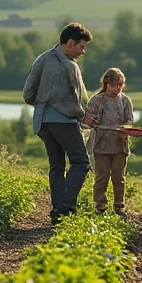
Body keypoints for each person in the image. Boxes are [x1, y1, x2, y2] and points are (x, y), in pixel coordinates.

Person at [23, 22, 92, 224]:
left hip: (42, 122)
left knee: (57, 166)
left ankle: (56, 209)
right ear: (70, 42)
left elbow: (28, 94)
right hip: (63, 122)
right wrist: (83, 116)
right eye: (81, 46)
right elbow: (74, 100)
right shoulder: (70, 66)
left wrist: (43, 104)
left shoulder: (42, 59)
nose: (82, 51)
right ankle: (65, 207)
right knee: (81, 162)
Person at [83, 68, 134, 217]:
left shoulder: (125, 100)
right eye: (115, 85)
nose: (118, 88)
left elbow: (129, 120)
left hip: (119, 143)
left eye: (121, 85)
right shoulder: (96, 100)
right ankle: (100, 204)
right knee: (102, 174)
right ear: (107, 83)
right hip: (101, 142)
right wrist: (93, 121)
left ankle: (119, 204)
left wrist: (126, 130)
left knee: (118, 176)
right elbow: (87, 121)